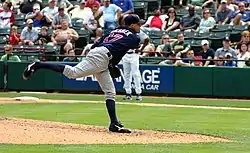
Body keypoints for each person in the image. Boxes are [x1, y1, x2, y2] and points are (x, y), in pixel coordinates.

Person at [22, 14, 143, 134]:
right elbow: (135, 44)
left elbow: (98, 43)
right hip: (102, 57)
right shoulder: (134, 37)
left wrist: (110, 63)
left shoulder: (115, 30)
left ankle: (114, 124)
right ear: (132, 25)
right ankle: (38, 65)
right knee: (73, 73)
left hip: (101, 55)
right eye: (138, 24)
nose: (140, 27)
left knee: (110, 92)